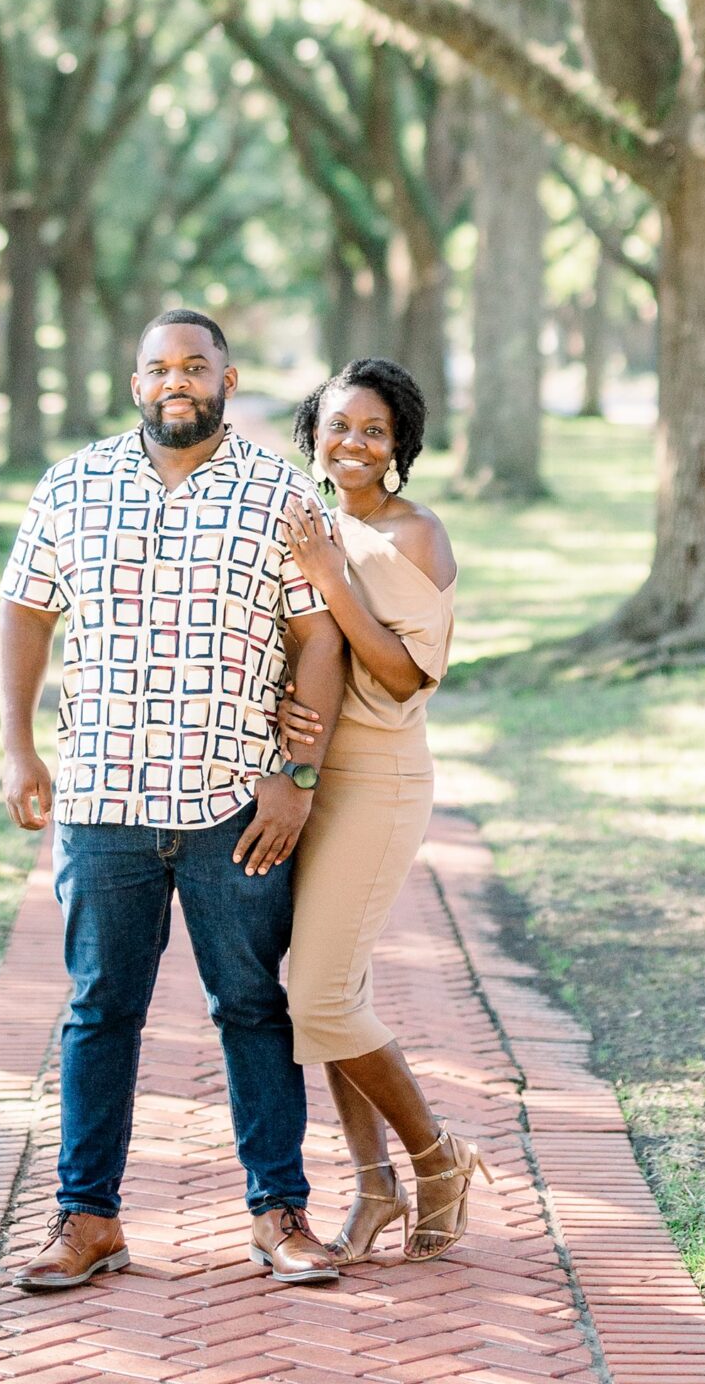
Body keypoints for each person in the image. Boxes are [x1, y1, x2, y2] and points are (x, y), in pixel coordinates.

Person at [0, 308, 348, 1294]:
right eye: (158, 366)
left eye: (195, 365)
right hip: (102, 796)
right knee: (101, 1007)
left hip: (236, 799)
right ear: (135, 378)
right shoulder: (72, 484)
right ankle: (87, 1216)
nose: (175, 380)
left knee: (250, 1004)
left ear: (227, 380)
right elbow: (24, 610)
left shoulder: (285, 490)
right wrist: (19, 746)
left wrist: (295, 777)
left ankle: (278, 1213)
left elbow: (318, 635)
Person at [276, 356, 488, 1263]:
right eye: (337, 427)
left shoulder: (415, 535)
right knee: (335, 996)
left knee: (315, 995)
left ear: (398, 443)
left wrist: (329, 573)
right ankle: (373, 1192)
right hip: (305, 775)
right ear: (313, 436)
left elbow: (403, 676)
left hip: (380, 781)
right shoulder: (304, 519)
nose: (352, 444)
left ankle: (436, 1157)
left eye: (373, 430)